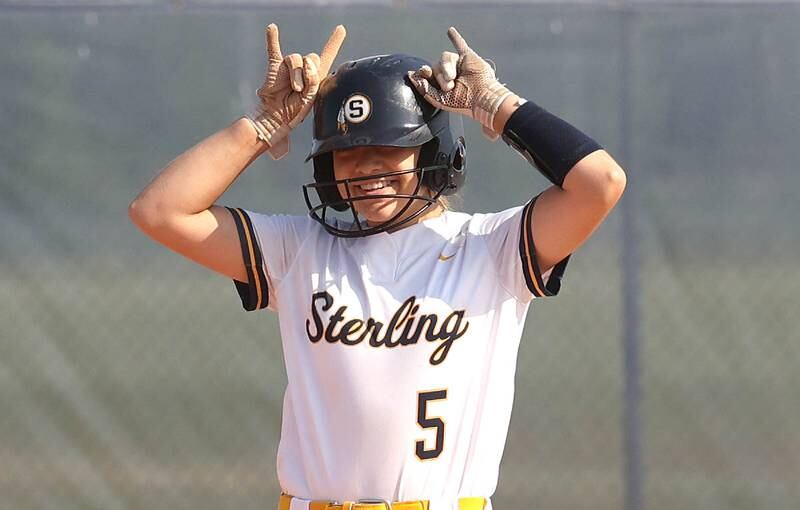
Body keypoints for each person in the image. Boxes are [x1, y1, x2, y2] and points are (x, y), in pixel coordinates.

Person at [129, 23, 626, 510]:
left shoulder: (491, 250)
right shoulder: (298, 249)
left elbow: (600, 183)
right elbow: (160, 211)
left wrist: (493, 104)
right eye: (346, 153)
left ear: (431, 152)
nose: (366, 168)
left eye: (387, 148)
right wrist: (266, 124)